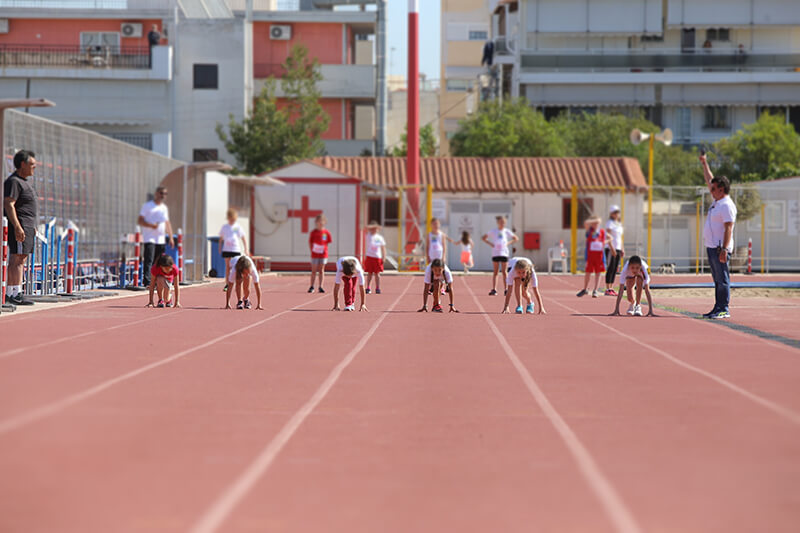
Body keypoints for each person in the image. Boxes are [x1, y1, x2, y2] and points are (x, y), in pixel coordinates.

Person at [700, 152, 737, 319]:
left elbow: (728, 228)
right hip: (712, 246)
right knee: (716, 279)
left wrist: (724, 248)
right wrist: (704, 163)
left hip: (719, 248)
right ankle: (717, 307)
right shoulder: (718, 202)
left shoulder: (726, 205)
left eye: (714, 189)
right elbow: (710, 179)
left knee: (722, 279)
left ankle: (724, 308)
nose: (711, 190)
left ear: (721, 189)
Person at [3, 150, 38, 305]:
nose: (34, 167)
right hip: (20, 225)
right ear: (22, 164)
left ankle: (14, 291)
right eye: (31, 164)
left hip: (27, 225)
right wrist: (17, 226)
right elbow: (9, 203)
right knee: (17, 258)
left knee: (21, 258)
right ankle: (13, 293)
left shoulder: (24, 182)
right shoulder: (14, 182)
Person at [138, 186, 174, 288]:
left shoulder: (164, 208)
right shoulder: (148, 206)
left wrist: (171, 237)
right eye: (162, 193)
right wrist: (151, 225)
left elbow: (167, 223)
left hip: (160, 239)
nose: (163, 196)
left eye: (165, 194)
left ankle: (157, 281)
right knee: (149, 260)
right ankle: (148, 282)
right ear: (157, 193)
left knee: (158, 261)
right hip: (150, 238)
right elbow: (140, 220)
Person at [577, 216, 611, 298]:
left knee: (598, 273)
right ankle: (585, 288)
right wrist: (595, 221)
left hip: (599, 256)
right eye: (594, 223)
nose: (596, 224)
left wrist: (603, 242)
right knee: (588, 272)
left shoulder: (602, 231)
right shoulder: (589, 231)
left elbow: (610, 238)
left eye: (597, 223)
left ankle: (595, 290)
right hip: (590, 256)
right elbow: (586, 223)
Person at [482, 215, 518, 296]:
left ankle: (506, 289)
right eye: (500, 222)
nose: (502, 224)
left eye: (503, 222)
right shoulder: (494, 231)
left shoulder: (506, 231)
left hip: (504, 253)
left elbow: (516, 238)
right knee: (496, 272)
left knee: (505, 272)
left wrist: (507, 243)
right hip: (496, 253)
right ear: (498, 223)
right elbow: (484, 238)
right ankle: (494, 289)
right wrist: (491, 244)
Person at [219, 208, 247, 292]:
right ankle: (227, 283)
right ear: (228, 218)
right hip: (227, 249)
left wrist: (246, 248)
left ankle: (238, 282)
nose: (232, 220)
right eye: (231, 219)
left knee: (237, 266)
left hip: (235, 249)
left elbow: (243, 237)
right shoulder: (225, 227)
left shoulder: (237, 227)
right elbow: (221, 238)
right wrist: (220, 247)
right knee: (228, 267)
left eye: (233, 219)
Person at [308, 215, 332, 293]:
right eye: (319, 221)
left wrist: (323, 249)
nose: (320, 223)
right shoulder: (313, 232)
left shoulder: (326, 232)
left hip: (323, 254)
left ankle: (321, 286)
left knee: (321, 270)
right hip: (315, 254)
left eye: (322, 221)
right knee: (314, 270)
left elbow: (327, 242)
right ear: (316, 222)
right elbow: (310, 242)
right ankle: (312, 286)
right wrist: (313, 250)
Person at [604, 206, 623, 296]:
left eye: (617, 212)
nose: (616, 214)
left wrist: (622, 248)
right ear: (611, 214)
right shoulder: (609, 223)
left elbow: (620, 238)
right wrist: (612, 248)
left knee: (615, 268)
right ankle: (608, 288)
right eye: (614, 213)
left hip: (618, 248)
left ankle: (611, 287)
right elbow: (608, 236)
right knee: (610, 267)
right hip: (611, 248)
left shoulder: (618, 224)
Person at [364, 221, 386, 295]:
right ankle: (368, 287)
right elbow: (366, 227)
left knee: (377, 273)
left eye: (375, 228)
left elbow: (383, 248)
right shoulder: (368, 235)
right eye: (372, 228)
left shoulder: (379, 237)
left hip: (377, 257)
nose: (374, 230)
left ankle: (377, 288)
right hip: (369, 256)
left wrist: (384, 256)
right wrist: (371, 227)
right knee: (369, 273)